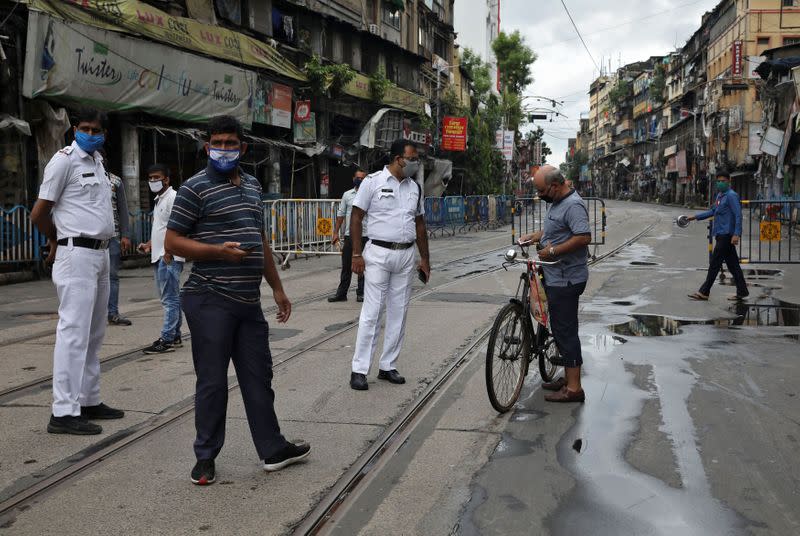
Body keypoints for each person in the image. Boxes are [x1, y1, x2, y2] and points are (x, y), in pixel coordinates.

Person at [164, 115, 310, 485]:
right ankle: (205, 458)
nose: (224, 149)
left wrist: (276, 287)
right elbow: (173, 242)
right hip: (209, 298)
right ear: (207, 146)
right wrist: (217, 252)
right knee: (212, 382)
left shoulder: (251, 185)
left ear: (243, 148)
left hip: (247, 302)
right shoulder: (194, 188)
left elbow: (258, 237)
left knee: (259, 377)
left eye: (231, 143)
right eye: (218, 143)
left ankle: (272, 448)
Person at [30, 108, 125, 435]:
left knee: (94, 332)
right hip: (76, 254)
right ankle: (63, 411)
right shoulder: (64, 161)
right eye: (84, 128)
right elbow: (39, 213)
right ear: (74, 129)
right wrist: (57, 240)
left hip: (100, 254)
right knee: (73, 332)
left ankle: (88, 399)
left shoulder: (98, 162)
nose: (90, 133)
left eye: (96, 129)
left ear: (103, 134)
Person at [348, 139, 430, 391]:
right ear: (398, 159)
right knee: (372, 312)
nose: (415, 163)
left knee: (399, 312)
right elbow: (356, 216)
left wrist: (425, 258)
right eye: (412, 158)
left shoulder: (414, 188)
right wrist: (356, 254)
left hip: (405, 256)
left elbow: (419, 224)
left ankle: (388, 366)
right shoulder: (372, 182)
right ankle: (359, 370)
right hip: (378, 254)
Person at [519, 166, 592, 403]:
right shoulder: (557, 202)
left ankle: (574, 389)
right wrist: (536, 236)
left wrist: (552, 251)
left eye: (541, 190)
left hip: (567, 277)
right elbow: (557, 229)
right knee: (560, 328)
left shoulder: (573, 205)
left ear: (555, 185)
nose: (539, 195)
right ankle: (568, 376)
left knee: (566, 330)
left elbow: (583, 237)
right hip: (555, 275)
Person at [139, 164, 185, 354]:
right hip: (161, 255)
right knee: (172, 298)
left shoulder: (173, 198)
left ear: (166, 179)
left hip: (169, 256)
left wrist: (168, 250)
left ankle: (166, 339)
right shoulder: (160, 199)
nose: (153, 182)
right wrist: (150, 244)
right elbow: (163, 228)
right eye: (150, 178)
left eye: (157, 178)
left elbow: (179, 227)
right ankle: (174, 336)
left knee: (169, 299)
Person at [687, 169, 748, 301]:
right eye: (718, 181)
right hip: (720, 234)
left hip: (727, 235)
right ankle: (742, 291)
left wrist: (736, 234)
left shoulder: (731, 196)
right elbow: (713, 211)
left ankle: (704, 291)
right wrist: (694, 217)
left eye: (723, 181)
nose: (720, 183)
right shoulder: (720, 196)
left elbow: (738, 215)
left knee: (715, 263)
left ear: (729, 181)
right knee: (733, 265)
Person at [328, 168, 369, 303]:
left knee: (362, 265)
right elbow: (340, 215)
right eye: (358, 178)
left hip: (365, 235)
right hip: (348, 235)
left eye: (363, 178)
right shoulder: (347, 195)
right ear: (353, 179)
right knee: (346, 266)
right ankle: (342, 293)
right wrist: (335, 232)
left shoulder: (370, 195)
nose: (360, 180)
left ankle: (361, 292)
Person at [106, 161, 133, 326]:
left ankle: (113, 313)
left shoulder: (115, 181)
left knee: (112, 276)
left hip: (113, 237)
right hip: (88, 239)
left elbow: (123, 209)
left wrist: (126, 235)